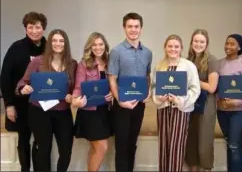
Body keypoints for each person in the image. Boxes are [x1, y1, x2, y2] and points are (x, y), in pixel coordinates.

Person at [16, 29, 77, 171]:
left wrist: (71, 96)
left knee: (66, 150)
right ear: (50, 43)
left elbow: (75, 88)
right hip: (40, 112)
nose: (58, 43)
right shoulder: (38, 62)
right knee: (43, 149)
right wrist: (23, 88)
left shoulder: (72, 64)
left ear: (65, 43)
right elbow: (22, 83)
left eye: (61, 41)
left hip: (63, 112)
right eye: (54, 40)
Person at [0, 11, 47, 171]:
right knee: (24, 140)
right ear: (25, 28)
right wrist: (9, 105)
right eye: (30, 27)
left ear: (43, 28)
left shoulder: (50, 48)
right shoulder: (16, 48)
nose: (34, 31)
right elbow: (5, 77)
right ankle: (25, 169)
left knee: (41, 140)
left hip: (44, 104)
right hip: (20, 104)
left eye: (38, 27)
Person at [107, 12, 152, 172]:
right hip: (122, 105)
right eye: (130, 26)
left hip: (139, 105)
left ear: (141, 28)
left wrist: (148, 93)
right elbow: (112, 78)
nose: (133, 30)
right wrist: (119, 100)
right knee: (122, 144)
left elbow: (147, 75)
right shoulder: (116, 51)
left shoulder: (147, 52)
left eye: (136, 26)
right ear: (124, 28)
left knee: (132, 143)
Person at [152, 34, 201, 172]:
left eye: (176, 46)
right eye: (170, 46)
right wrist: (159, 97)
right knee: (164, 144)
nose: (173, 49)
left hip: (180, 110)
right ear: (165, 48)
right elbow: (154, 86)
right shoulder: (160, 65)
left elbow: (195, 88)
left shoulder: (189, 66)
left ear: (181, 48)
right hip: (163, 109)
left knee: (176, 145)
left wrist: (180, 100)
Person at [71, 32, 113, 171]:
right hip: (89, 112)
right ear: (90, 47)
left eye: (101, 44)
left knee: (95, 148)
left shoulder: (110, 63)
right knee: (102, 146)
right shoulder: (84, 64)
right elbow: (78, 87)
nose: (98, 47)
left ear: (105, 46)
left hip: (105, 111)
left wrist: (112, 95)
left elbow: (114, 85)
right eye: (94, 44)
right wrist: (76, 101)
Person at [216, 34, 242, 172]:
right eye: (227, 43)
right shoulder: (219, 64)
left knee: (234, 146)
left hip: (241, 112)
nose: (228, 46)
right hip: (222, 112)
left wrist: (237, 102)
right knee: (230, 144)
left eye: (232, 44)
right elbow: (215, 86)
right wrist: (219, 100)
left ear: (240, 47)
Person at [184, 29, 218, 171]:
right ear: (191, 42)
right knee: (191, 139)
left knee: (204, 140)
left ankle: (205, 168)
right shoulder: (188, 60)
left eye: (202, 42)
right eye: (196, 41)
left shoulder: (212, 60)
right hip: (190, 104)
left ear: (206, 43)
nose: (198, 44)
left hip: (206, 105)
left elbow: (211, 87)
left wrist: (192, 80)